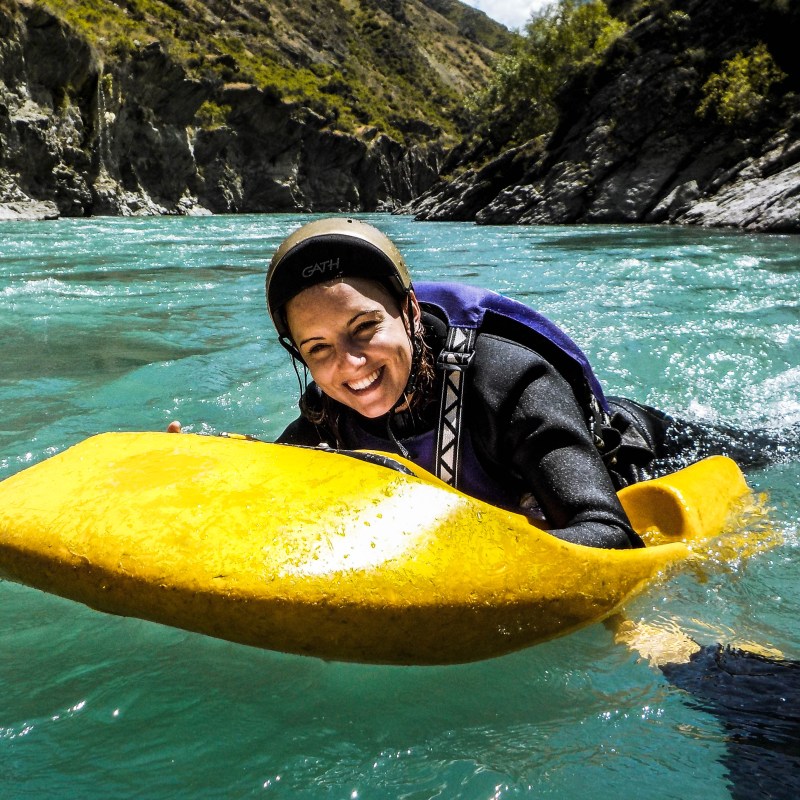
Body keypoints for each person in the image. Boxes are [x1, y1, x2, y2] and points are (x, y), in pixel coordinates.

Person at [169, 217, 790, 549]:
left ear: (409, 313)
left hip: (651, 450)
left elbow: (607, 532)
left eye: (365, 328)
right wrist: (204, 475)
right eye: (319, 349)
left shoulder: (509, 382)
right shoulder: (328, 416)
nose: (350, 365)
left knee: (781, 446)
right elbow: (278, 483)